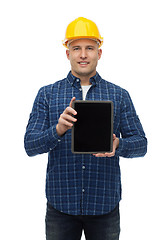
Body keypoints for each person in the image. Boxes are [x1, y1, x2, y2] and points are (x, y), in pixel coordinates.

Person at [24, 17, 147, 240]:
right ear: (67, 53)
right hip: (60, 205)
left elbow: (141, 144)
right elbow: (30, 145)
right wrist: (58, 129)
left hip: (104, 206)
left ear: (99, 53)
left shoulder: (119, 95)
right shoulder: (47, 94)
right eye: (76, 48)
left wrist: (118, 144)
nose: (83, 55)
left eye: (89, 48)